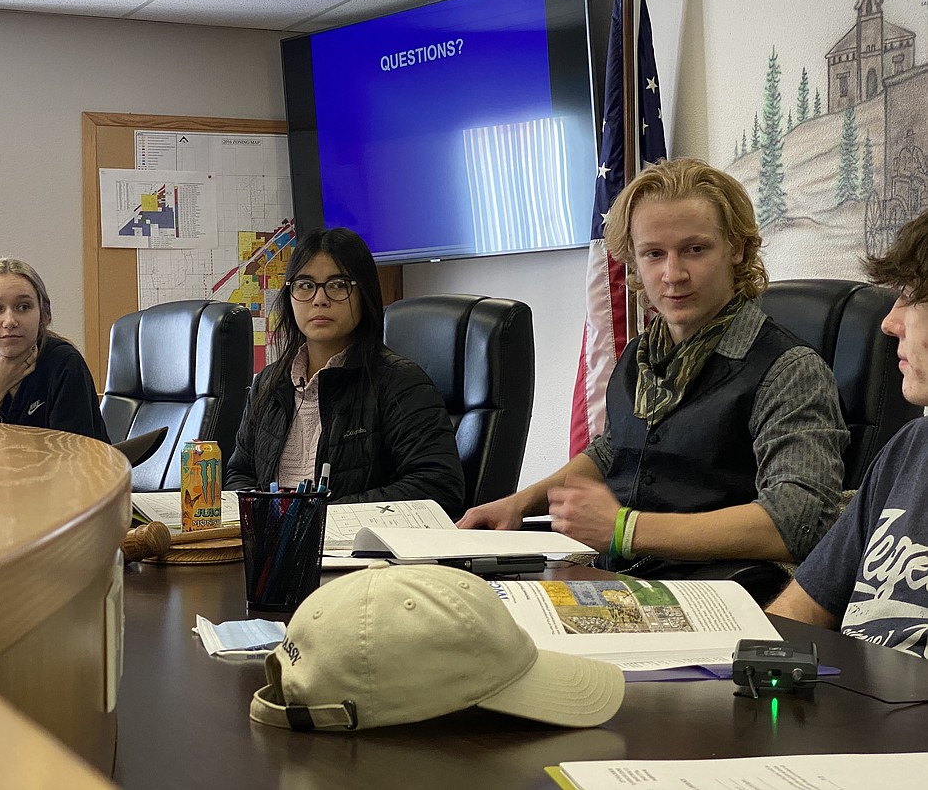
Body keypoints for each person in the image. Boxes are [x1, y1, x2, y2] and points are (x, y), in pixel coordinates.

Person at [459, 158, 848, 577]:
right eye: (654, 254)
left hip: (718, 592)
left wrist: (626, 529)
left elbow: (801, 520)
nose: (673, 274)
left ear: (736, 248)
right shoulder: (640, 354)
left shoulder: (789, 370)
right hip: (620, 575)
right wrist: (519, 503)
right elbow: (613, 450)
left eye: (695, 250)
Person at [769, 209, 928, 657]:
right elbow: (800, 611)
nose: (889, 323)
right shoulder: (911, 448)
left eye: (911, 298)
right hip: (844, 710)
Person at [224, 227, 464, 517]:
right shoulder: (269, 383)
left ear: (363, 293)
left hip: (360, 555)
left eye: (337, 285)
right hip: (272, 550)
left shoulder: (400, 383)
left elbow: (437, 487)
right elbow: (240, 476)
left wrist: (318, 517)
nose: (319, 299)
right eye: (305, 285)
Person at [0, 257, 110, 443]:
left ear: (44, 315)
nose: (10, 321)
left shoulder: (64, 364)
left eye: (23, 307)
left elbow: (74, 458)